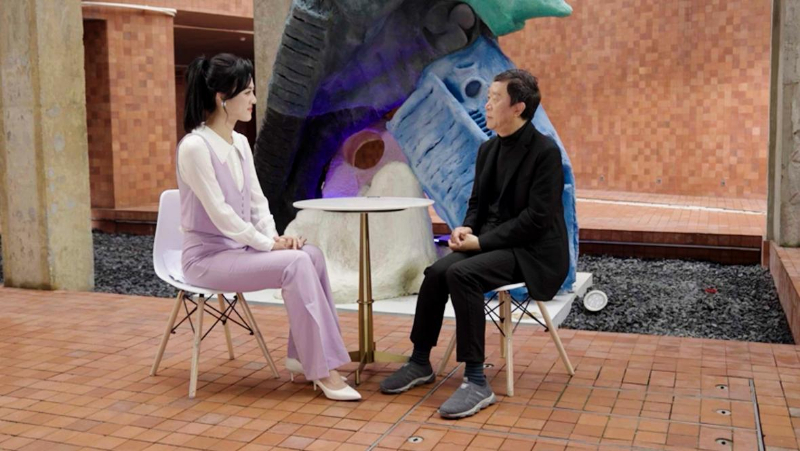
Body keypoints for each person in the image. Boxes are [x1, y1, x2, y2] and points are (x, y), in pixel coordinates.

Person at [379, 69, 568, 418]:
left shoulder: (545, 153)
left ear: (518, 108)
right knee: (436, 272)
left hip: (532, 251)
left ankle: (477, 381)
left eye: (495, 98)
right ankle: (420, 361)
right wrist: (465, 229)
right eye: (488, 97)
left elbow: (536, 220)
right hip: (493, 243)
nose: (487, 105)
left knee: (463, 274)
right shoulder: (488, 149)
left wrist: (480, 243)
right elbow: (478, 204)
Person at [178, 53, 360, 401]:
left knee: (311, 255)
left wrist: (277, 238)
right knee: (296, 263)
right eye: (247, 92)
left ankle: (301, 355)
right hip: (206, 259)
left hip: (241, 251)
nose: (254, 99)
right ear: (222, 98)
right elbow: (221, 214)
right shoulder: (195, 147)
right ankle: (322, 368)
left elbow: (257, 203)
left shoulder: (240, 143)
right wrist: (267, 246)